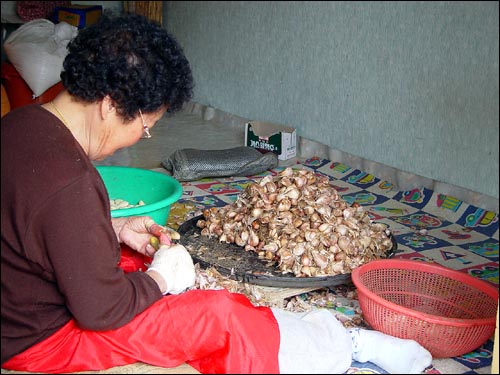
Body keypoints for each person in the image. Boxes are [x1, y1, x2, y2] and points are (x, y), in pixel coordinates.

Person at [1, 12, 433, 375]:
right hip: (39, 338)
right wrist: (162, 280)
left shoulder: (20, 125)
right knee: (214, 317)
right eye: (145, 126)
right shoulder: (69, 183)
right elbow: (101, 312)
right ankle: (348, 345)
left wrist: (110, 227)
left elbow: (32, 223)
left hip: (19, 300)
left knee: (139, 258)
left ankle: (281, 327)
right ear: (111, 105)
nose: (137, 139)